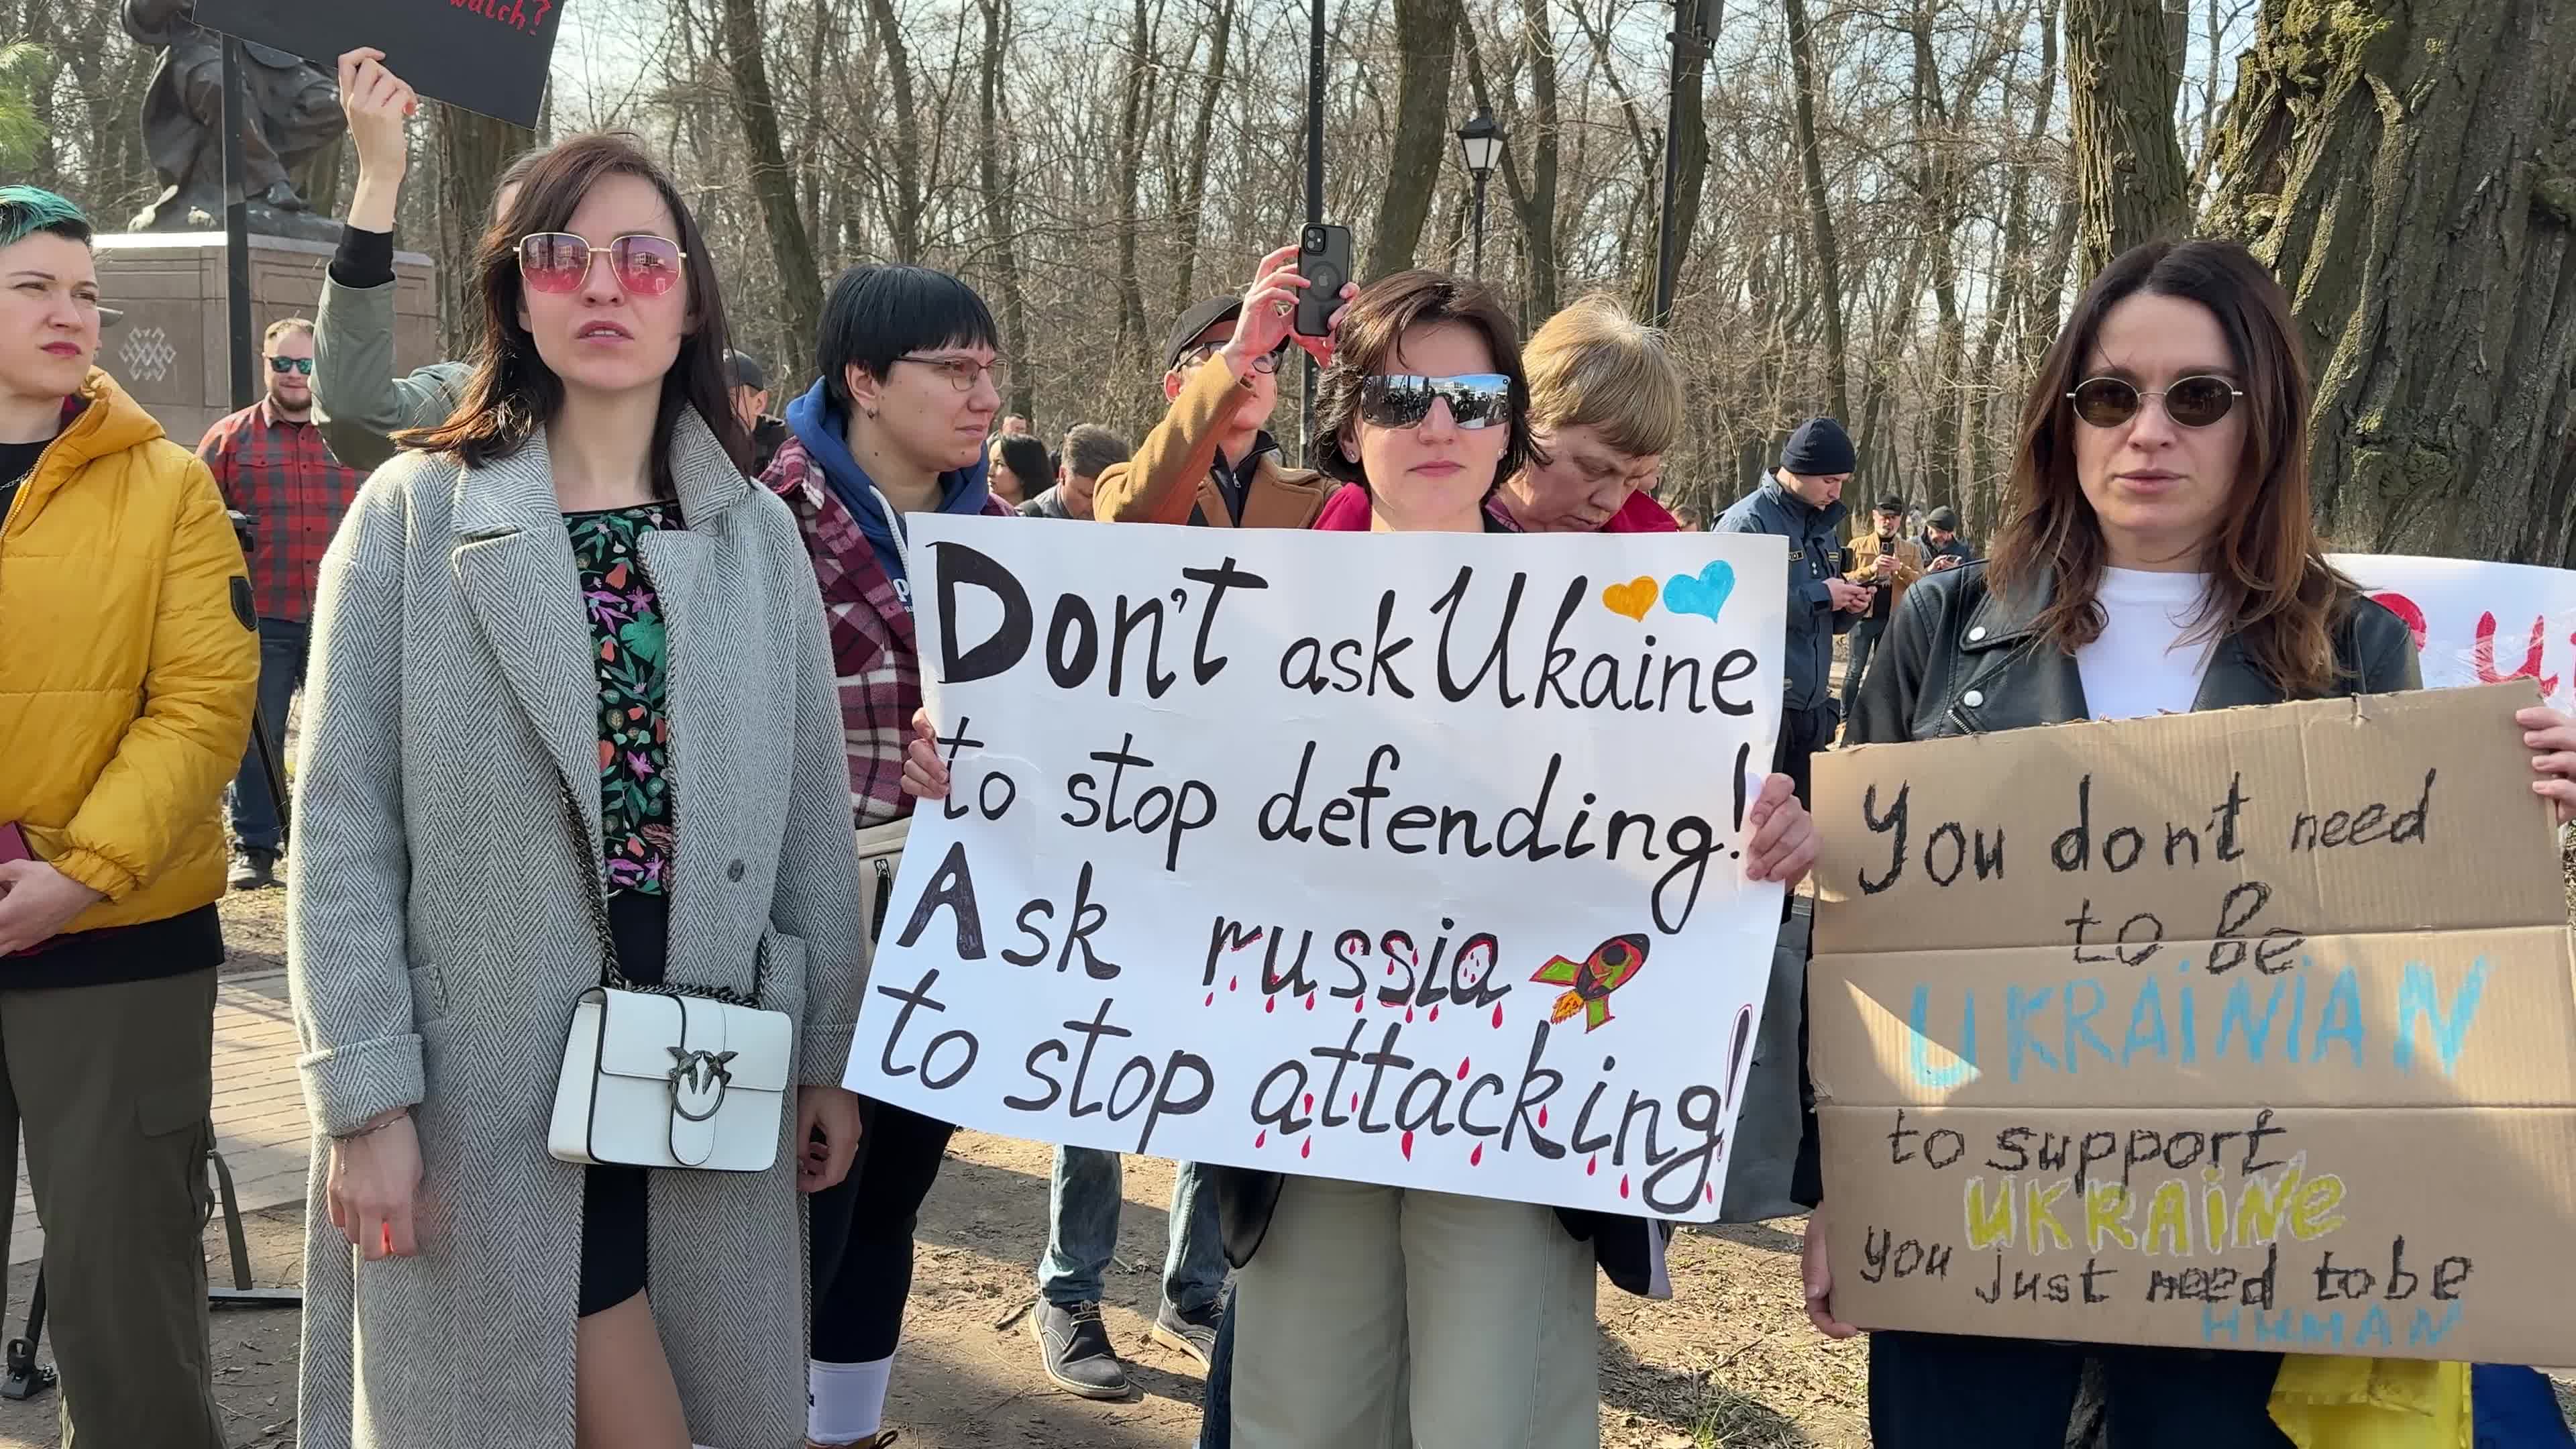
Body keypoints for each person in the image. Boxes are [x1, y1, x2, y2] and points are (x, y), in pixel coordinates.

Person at [1799, 237, 2576, 1446]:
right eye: (2111, 396)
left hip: (2253, 1213)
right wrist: (1846, 1181)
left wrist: (2507, 815)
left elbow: (2414, 950)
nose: (2147, 432)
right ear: (2066, 419)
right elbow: (1860, 938)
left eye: (2197, 398)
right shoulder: (1947, 621)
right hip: (1973, 1193)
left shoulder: (2354, 646)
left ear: (2261, 419)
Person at [287, 133, 869, 1449]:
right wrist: (366, 1096)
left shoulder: (756, 534)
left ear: (691, 298)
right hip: (485, 1082)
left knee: (704, 1385)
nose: (603, 286)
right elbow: (340, 829)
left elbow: (807, 825)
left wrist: (829, 1056)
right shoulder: (411, 514)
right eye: (562, 255)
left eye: (642, 257)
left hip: (706, 1053)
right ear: (515, 292)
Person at [1171, 269, 1814, 1446]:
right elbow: (1117, 759)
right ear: (1351, 418)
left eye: (1471, 400)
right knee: (1301, 1411)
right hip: (1307, 1081)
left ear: (1508, 421)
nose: (1435, 424)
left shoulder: (1652, 627)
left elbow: (1696, 838)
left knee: (1489, 1416)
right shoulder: (1264, 596)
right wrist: (987, 758)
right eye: (1401, 395)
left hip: (1524, 1087)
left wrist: (1766, 827)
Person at [0, 184, 256, 1449]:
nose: (70, 313)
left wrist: (77, 874)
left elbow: (203, 704)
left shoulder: (167, 486)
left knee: (127, 1299)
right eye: (34, 286)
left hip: (118, 945)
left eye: (86, 291)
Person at [761, 262, 1014, 1449]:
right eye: (953, 369)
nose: (983, 396)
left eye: (991, 368)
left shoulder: (1003, 534)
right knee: (802, 1201)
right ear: (862, 378)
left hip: (949, 912)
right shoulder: (765, 509)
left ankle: (848, 1425)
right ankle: (760, 1418)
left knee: (896, 1192)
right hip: (803, 910)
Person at [311, 48, 538, 472]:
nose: (596, 285)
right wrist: (379, 177)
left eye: (636, 257)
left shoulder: (697, 424)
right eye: (543, 253)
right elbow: (358, 419)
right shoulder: (474, 404)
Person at [197, 315, 364, 890]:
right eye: (283, 364)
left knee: (346, 736)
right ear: (266, 364)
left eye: (306, 364)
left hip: (344, 617)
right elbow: (193, 530)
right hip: (260, 614)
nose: (294, 376)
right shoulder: (227, 440)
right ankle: (257, 849)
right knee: (257, 737)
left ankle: (336, 852)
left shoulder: (356, 436)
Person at [1311, 293, 1684, 535]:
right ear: (1524, 418)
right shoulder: (1370, 510)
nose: (1611, 502)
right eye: (1594, 468)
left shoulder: (1657, 556)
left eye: (1637, 480)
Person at [1091, 245, 1348, 529]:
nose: (1249, 367)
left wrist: (1346, 370)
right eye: (1220, 351)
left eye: (1263, 355)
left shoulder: (1319, 496)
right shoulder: (1118, 483)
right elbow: (1132, 517)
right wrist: (1237, 353)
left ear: (1275, 389)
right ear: (1175, 387)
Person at [1715, 417, 1867, 805]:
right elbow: (1727, 613)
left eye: (1842, 482)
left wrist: (1848, 605)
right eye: (1830, 480)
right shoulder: (1746, 523)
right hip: (1759, 708)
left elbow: (1824, 618)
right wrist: (1819, 596)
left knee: (1806, 827)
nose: (1837, 492)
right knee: (1755, 824)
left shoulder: (1824, 525)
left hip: (1812, 706)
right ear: (1799, 470)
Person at [1835, 493, 1922, 717]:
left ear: (1900, 520)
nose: (1888, 522)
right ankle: (1846, 717)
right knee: (1855, 671)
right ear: (1875, 517)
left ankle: (1878, 718)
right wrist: (1871, 570)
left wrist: (1900, 568)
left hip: (1894, 619)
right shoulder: (1857, 545)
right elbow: (1844, 578)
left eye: (1893, 517)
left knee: (1886, 671)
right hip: (1862, 618)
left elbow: (1922, 582)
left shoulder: (1910, 550)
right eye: (1884, 517)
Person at [1020, 423, 1127, 519]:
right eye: (1087, 495)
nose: (1097, 507)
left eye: (1106, 497)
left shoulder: (1124, 514)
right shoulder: (1028, 521)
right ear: (1063, 476)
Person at [728, 348, 790, 474]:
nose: (717, 406)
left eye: (729, 397)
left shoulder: (789, 460)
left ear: (759, 403)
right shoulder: (693, 456)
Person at [992, 432, 1049, 508]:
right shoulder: (977, 512)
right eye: (989, 462)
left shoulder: (1047, 517)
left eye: (1000, 464)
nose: (989, 472)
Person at [1918, 503, 1971, 570]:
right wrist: (1929, 570)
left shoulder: (1962, 550)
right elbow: (1906, 578)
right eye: (1941, 532)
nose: (1946, 537)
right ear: (1929, 527)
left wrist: (1957, 571)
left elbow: (1970, 577)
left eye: (1950, 533)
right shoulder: (1914, 547)